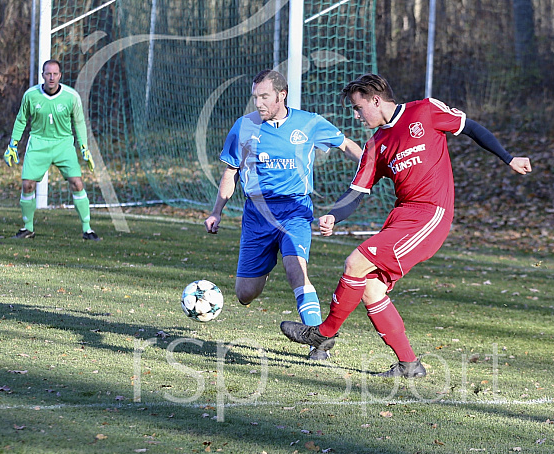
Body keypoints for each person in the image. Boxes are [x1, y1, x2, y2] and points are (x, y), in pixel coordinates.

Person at [280, 73, 532, 376]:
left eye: (358, 108)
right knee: (371, 289)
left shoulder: (424, 111)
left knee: (355, 262)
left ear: (375, 100)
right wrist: (335, 214)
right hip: (402, 217)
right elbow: (357, 193)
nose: (357, 115)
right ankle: (409, 365)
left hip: (430, 215)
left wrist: (509, 158)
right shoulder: (376, 144)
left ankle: (323, 333)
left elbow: (471, 128)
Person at [204, 69, 362, 360]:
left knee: (296, 270)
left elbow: (347, 145)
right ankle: (265, 262)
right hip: (256, 217)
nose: (259, 103)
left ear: (282, 95)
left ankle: (319, 342)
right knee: (245, 294)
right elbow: (231, 171)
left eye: (264, 97)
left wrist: (373, 166)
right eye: (256, 97)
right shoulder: (243, 127)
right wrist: (216, 212)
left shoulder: (309, 123)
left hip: (294, 212)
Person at [3, 59, 99, 241]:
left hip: (63, 144)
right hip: (38, 143)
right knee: (27, 185)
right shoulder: (31, 95)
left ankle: (87, 230)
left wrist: (84, 146)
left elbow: (79, 122)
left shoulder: (71, 96)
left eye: (55, 74)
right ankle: (27, 228)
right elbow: (21, 119)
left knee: (77, 183)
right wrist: (12, 144)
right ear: (43, 75)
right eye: (48, 74)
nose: (52, 77)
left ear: (60, 76)